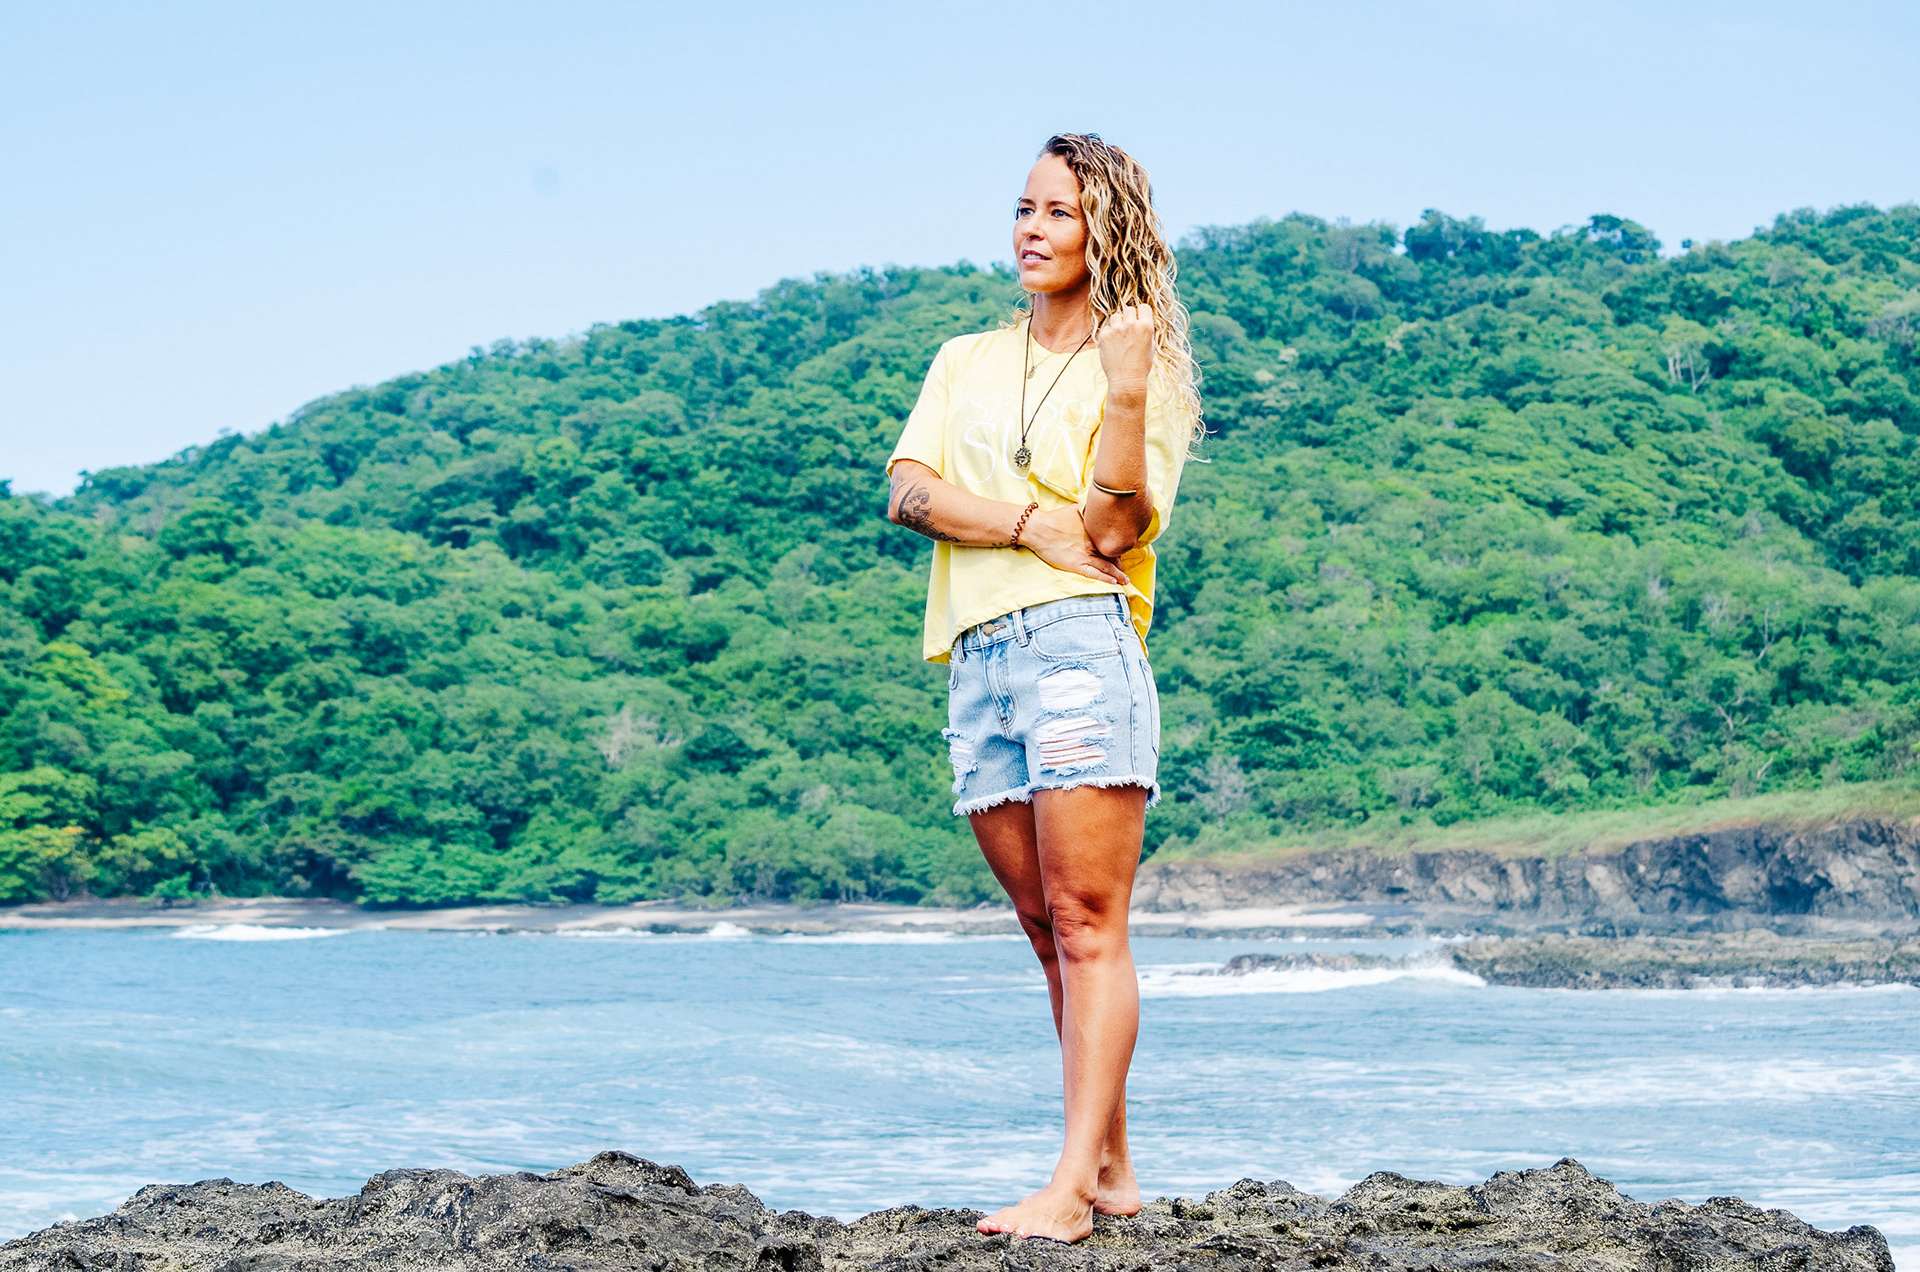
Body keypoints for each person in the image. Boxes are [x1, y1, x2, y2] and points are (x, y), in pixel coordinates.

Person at [884, 133, 1200, 1243]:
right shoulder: (964, 358)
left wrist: (1125, 386)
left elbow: (1114, 529)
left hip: (1077, 647)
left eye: (1059, 212)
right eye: (1024, 207)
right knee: (1040, 925)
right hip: (977, 655)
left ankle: (1070, 1190)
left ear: (1106, 232)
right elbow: (909, 494)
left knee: (1086, 921)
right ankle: (1110, 1169)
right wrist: (1027, 524)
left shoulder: (1144, 372)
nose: (1031, 228)